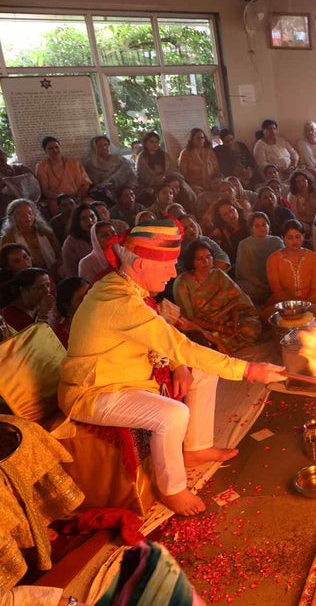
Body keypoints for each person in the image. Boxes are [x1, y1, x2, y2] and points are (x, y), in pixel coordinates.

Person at [60, 218, 284, 515]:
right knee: (173, 414)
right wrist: (248, 370)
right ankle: (173, 489)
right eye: (167, 265)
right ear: (140, 265)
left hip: (129, 374)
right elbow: (178, 344)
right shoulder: (118, 299)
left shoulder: (126, 284)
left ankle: (195, 448)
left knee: (201, 372)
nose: (173, 272)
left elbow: (167, 340)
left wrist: (179, 365)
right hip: (94, 390)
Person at [173, 242, 262, 354]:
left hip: (227, 319)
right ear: (192, 261)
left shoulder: (219, 275)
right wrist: (220, 328)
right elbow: (188, 317)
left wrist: (234, 323)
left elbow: (235, 300)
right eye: (200, 259)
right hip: (202, 326)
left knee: (251, 328)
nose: (206, 262)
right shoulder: (182, 282)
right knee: (200, 341)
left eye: (208, 257)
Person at [266, 219, 316, 305]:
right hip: (285, 304)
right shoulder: (273, 259)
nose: (294, 241)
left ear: (303, 236)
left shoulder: (312, 257)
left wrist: (306, 304)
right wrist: (296, 306)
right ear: (282, 238)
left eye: (298, 237)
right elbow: (277, 290)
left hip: (312, 301)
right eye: (289, 237)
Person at [1, 199, 61, 275]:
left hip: (54, 272)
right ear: (13, 217)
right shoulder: (8, 238)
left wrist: (54, 269)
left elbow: (59, 254)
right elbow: (6, 264)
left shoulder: (46, 232)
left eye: (30, 213)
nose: (28, 217)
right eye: (22, 214)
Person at [235, 212, 283, 305]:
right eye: (257, 225)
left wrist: (275, 284)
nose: (262, 228)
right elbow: (245, 272)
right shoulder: (244, 244)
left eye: (264, 224)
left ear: (269, 225)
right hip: (255, 283)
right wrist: (263, 286)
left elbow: (284, 264)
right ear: (251, 229)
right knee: (246, 288)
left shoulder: (276, 241)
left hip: (275, 280)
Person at [35, 136, 91, 213]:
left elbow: (85, 183)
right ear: (45, 151)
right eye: (50, 148)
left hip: (78, 197)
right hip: (57, 200)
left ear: (60, 148)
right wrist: (63, 199)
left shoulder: (74, 163)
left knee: (91, 205)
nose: (54, 150)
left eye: (56, 147)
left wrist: (78, 196)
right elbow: (45, 190)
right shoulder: (42, 166)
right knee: (60, 209)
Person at [1, 267, 54, 331]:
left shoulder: (41, 304)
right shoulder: (11, 315)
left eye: (48, 285)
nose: (47, 291)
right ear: (23, 291)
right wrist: (43, 314)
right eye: (39, 288)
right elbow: (36, 338)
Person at [50, 276, 89, 348]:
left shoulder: (102, 323)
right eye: (82, 299)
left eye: (90, 296)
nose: (89, 302)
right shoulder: (58, 338)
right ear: (66, 305)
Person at [61, 204, 98, 279]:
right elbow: (72, 273)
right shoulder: (70, 244)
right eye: (84, 218)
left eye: (92, 216)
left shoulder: (104, 233)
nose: (90, 221)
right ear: (77, 222)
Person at [209, 199, 250, 263]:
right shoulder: (218, 233)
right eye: (225, 214)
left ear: (236, 209)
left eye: (231, 210)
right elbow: (219, 256)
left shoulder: (250, 223)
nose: (230, 215)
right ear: (220, 217)